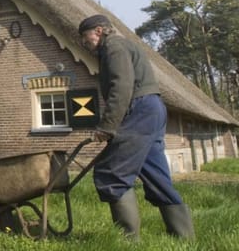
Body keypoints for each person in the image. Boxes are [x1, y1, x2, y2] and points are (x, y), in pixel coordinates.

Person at [78, 14, 194, 239]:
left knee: (111, 172)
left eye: (86, 36)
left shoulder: (114, 47)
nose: (85, 42)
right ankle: (184, 238)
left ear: (99, 31)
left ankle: (128, 241)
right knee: (155, 175)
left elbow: (121, 86)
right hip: (152, 109)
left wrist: (108, 126)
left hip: (139, 110)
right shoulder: (120, 46)